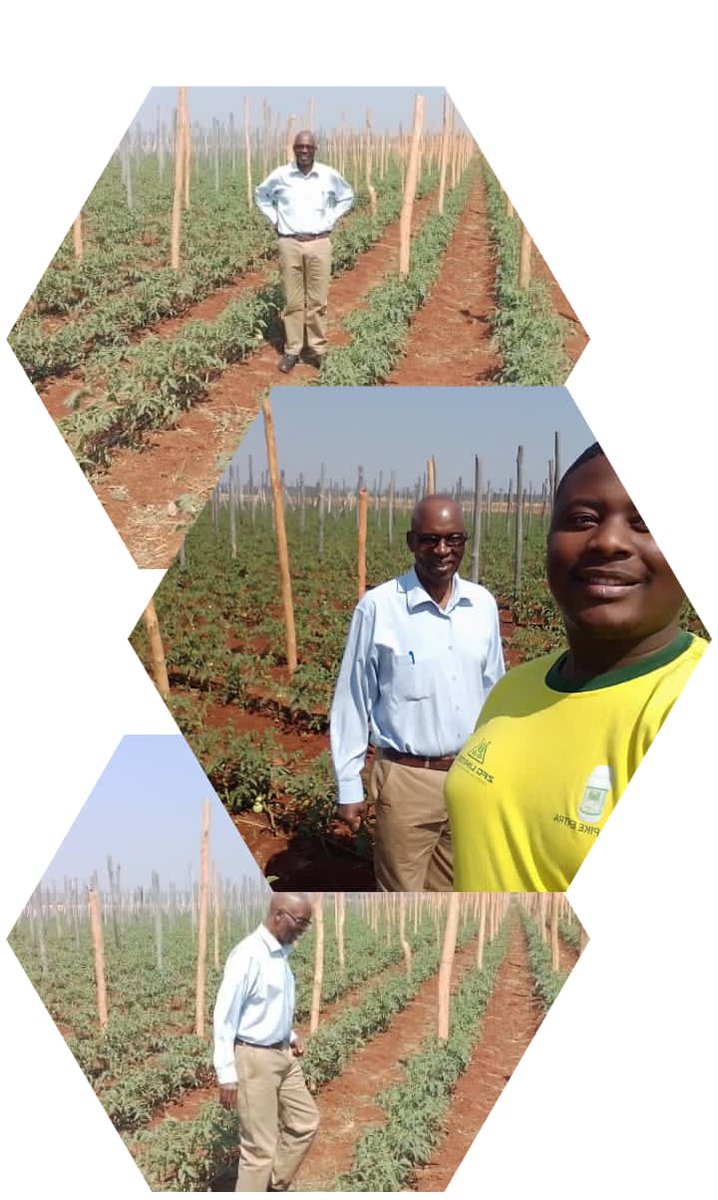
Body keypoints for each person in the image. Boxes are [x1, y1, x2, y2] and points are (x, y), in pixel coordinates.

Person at [445, 443, 708, 892]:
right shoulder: (514, 690)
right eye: (582, 519)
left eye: (647, 523)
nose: (608, 541)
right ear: (547, 543)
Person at [330, 494, 505, 892]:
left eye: (453, 539)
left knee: (455, 888)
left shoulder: (482, 605)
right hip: (407, 778)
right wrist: (349, 783)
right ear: (411, 542)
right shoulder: (379, 607)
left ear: (465, 542)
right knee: (401, 898)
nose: (442, 550)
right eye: (430, 539)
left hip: (469, 775)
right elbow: (353, 698)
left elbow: (494, 689)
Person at [213, 892, 319, 1192]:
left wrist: (292, 1035)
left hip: (283, 1053)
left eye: (306, 924)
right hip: (254, 1058)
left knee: (305, 1122)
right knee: (259, 1148)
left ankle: (273, 1186)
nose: (302, 930)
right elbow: (225, 1015)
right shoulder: (248, 955)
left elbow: (270, 1004)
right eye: (300, 922)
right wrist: (226, 1073)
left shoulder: (281, 952)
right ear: (278, 915)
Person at [255, 131, 354, 373]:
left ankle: (318, 349)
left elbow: (347, 196)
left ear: (315, 148)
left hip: (320, 242)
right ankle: (293, 349)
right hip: (290, 242)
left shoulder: (328, 175)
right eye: (300, 147)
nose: (304, 151)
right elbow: (261, 195)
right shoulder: (281, 175)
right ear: (294, 149)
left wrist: (331, 218)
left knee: (318, 301)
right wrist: (275, 219)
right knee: (293, 300)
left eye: (308, 147)